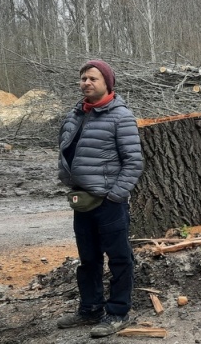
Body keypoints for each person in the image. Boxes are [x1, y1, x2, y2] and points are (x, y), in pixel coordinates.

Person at [56, 60, 143, 338]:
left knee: (119, 258)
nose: (86, 83)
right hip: (82, 201)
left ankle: (118, 313)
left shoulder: (121, 116)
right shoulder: (75, 115)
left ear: (107, 83)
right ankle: (90, 308)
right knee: (88, 258)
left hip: (109, 202)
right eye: (83, 78)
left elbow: (134, 162)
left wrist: (116, 195)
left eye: (93, 78)